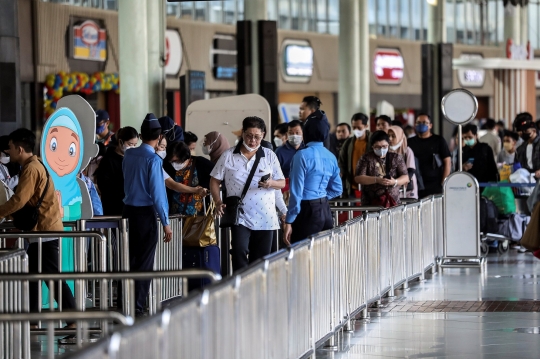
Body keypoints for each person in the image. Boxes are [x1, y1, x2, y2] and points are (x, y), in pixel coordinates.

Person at [0, 129, 76, 320]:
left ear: (19, 148)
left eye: (9, 148)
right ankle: (33, 321)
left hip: (45, 230)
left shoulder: (31, 168)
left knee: (53, 279)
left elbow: (19, 200)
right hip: (39, 231)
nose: (7, 152)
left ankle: (74, 319)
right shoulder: (34, 165)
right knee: (33, 278)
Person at [210, 116, 285, 272]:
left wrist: (271, 183)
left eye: (257, 137)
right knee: (239, 252)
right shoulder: (228, 155)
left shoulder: (269, 155)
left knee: (261, 260)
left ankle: (257, 292)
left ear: (263, 135)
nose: (252, 140)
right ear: (242, 133)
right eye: (249, 135)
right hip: (240, 216)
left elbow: (282, 183)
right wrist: (218, 201)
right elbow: (214, 180)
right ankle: (240, 289)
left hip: (266, 218)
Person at [121, 114, 172, 316]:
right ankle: (137, 306)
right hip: (145, 214)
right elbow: (158, 194)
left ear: (141, 135)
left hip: (127, 212)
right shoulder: (153, 160)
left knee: (128, 259)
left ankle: (123, 303)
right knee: (144, 262)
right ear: (159, 137)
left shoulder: (129, 155)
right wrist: (166, 223)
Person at [283, 114, 342, 245]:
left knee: (301, 256)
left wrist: (289, 221)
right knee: (324, 255)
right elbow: (338, 189)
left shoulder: (301, 155)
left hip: (306, 212)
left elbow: (296, 193)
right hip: (325, 211)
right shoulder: (330, 156)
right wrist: (320, 197)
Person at [354, 131, 409, 206]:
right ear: (372, 146)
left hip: (392, 202)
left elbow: (406, 177)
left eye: (384, 146)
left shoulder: (396, 158)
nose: (381, 149)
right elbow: (358, 178)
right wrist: (376, 180)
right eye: (377, 147)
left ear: (388, 144)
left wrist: (395, 182)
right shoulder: (366, 158)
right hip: (370, 204)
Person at [95, 127, 139, 216]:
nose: (133, 148)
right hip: (113, 209)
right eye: (130, 144)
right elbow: (104, 185)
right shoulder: (108, 160)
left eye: (135, 145)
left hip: (131, 207)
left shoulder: (135, 160)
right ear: (120, 142)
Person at [408, 114, 451, 198]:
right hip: (416, 184)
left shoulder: (438, 141)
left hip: (435, 184)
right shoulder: (410, 142)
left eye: (424, 123)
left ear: (430, 125)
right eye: (418, 123)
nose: (421, 125)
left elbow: (447, 162)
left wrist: (443, 182)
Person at [164, 142, 213, 216]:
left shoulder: (200, 163)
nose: (173, 164)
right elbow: (172, 185)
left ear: (185, 157)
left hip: (197, 215)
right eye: (171, 161)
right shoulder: (167, 166)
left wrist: (204, 187)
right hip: (173, 215)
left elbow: (218, 177)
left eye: (176, 161)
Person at [338, 113, 372, 198]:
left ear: (366, 126)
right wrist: (341, 172)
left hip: (370, 186)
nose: (356, 130)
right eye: (354, 127)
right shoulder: (348, 143)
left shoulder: (373, 142)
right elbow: (341, 161)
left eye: (359, 128)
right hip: (352, 186)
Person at [388, 126, 417, 199]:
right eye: (388, 136)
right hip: (393, 187)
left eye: (393, 136)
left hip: (406, 188)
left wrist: (402, 181)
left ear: (400, 137)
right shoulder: (386, 151)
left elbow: (411, 170)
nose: (390, 139)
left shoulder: (407, 151)